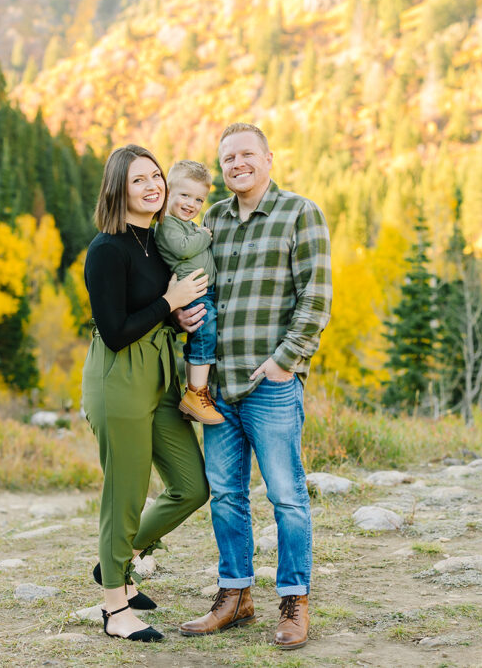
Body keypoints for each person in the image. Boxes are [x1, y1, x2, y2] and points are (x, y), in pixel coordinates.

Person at [178, 123, 332, 650]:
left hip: (270, 384)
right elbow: (203, 289)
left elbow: (316, 297)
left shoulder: (299, 213)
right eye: (227, 158)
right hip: (217, 387)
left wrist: (285, 362)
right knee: (225, 495)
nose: (236, 164)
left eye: (246, 154)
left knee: (287, 496)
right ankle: (235, 596)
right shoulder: (214, 219)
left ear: (269, 157)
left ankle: (293, 600)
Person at [81, 144, 210, 642]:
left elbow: (153, 313)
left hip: (158, 373)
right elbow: (114, 330)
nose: (153, 186)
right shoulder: (107, 249)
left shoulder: (154, 242)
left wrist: (175, 317)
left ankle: (118, 560)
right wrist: (168, 301)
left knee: (191, 485)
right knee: (125, 492)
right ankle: (115, 606)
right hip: (118, 378)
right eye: (139, 180)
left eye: (156, 176)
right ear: (118, 189)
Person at [154, 160, 224, 425]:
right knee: (203, 336)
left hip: (204, 291)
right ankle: (196, 392)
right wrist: (205, 236)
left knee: (207, 334)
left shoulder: (188, 224)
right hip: (194, 293)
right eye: (184, 195)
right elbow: (183, 249)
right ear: (168, 192)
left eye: (198, 199)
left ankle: (198, 392)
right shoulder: (167, 224)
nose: (191, 204)